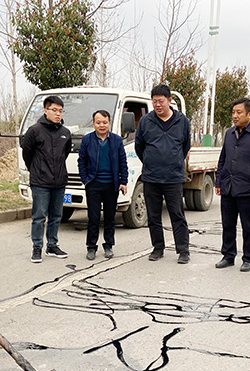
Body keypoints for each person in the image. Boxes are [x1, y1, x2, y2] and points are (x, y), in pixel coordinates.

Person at [135, 84, 191, 264]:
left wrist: (173, 161)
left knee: (177, 214)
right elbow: (139, 147)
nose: (157, 105)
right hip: (151, 176)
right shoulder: (146, 121)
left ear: (169, 101)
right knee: (153, 215)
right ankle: (158, 248)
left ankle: (183, 250)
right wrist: (151, 161)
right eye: (154, 102)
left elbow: (185, 146)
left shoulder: (182, 121)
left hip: (173, 177)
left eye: (160, 101)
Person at [214, 98, 250, 272]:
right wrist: (219, 181)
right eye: (233, 112)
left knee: (248, 226)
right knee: (228, 224)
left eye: (239, 112)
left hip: (247, 188)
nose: (235, 116)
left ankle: (248, 258)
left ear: (249, 114)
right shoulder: (229, 133)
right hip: (228, 187)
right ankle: (228, 255)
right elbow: (223, 158)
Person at [22, 95, 72, 262]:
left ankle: (52, 245)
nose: (58, 114)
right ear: (45, 110)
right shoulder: (34, 130)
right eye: (54, 110)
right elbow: (27, 154)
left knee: (56, 215)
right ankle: (37, 247)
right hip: (40, 182)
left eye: (60, 111)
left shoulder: (66, 133)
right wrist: (36, 171)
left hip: (59, 181)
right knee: (39, 216)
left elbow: (63, 155)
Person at [77, 109, 128, 260]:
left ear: (109, 123)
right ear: (93, 123)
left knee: (110, 217)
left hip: (111, 185)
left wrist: (123, 182)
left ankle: (108, 245)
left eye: (105, 122)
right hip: (93, 184)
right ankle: (91, 247)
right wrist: (85, 179)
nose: (102, 125)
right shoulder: (87, 140)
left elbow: (123, 163)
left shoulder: (117, 140)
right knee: (93, 217)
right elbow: (81, 161)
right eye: (98, 122)